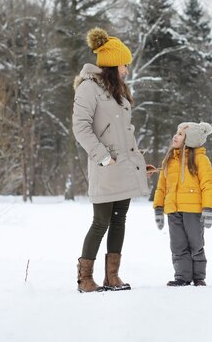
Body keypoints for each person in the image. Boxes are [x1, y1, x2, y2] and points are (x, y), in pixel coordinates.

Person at [72, 28, 154, 293]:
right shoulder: (88, 89)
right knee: (101, 222)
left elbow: (124, 135)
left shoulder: (119, 91)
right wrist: (103, 157)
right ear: (112, 64)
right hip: (105, 167)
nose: (127, 69)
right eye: (124, 64)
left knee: (120, 220)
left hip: (123, 165)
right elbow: (81, 128)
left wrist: (138, 164)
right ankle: (85, 279)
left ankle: (112, 276)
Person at [153, 122, 212, 287]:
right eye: (177, 132)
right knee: (178, 245)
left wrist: (208, 208)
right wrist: (158, 208)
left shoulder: (200, 159)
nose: (176, 136)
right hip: (173, 210)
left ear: (190, 140)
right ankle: (182, 277)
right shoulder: (169, 160)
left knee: (196, 244)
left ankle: (198, 277)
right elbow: (161, 187)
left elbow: (208, 185)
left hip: (193, 211)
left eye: (181, 134)